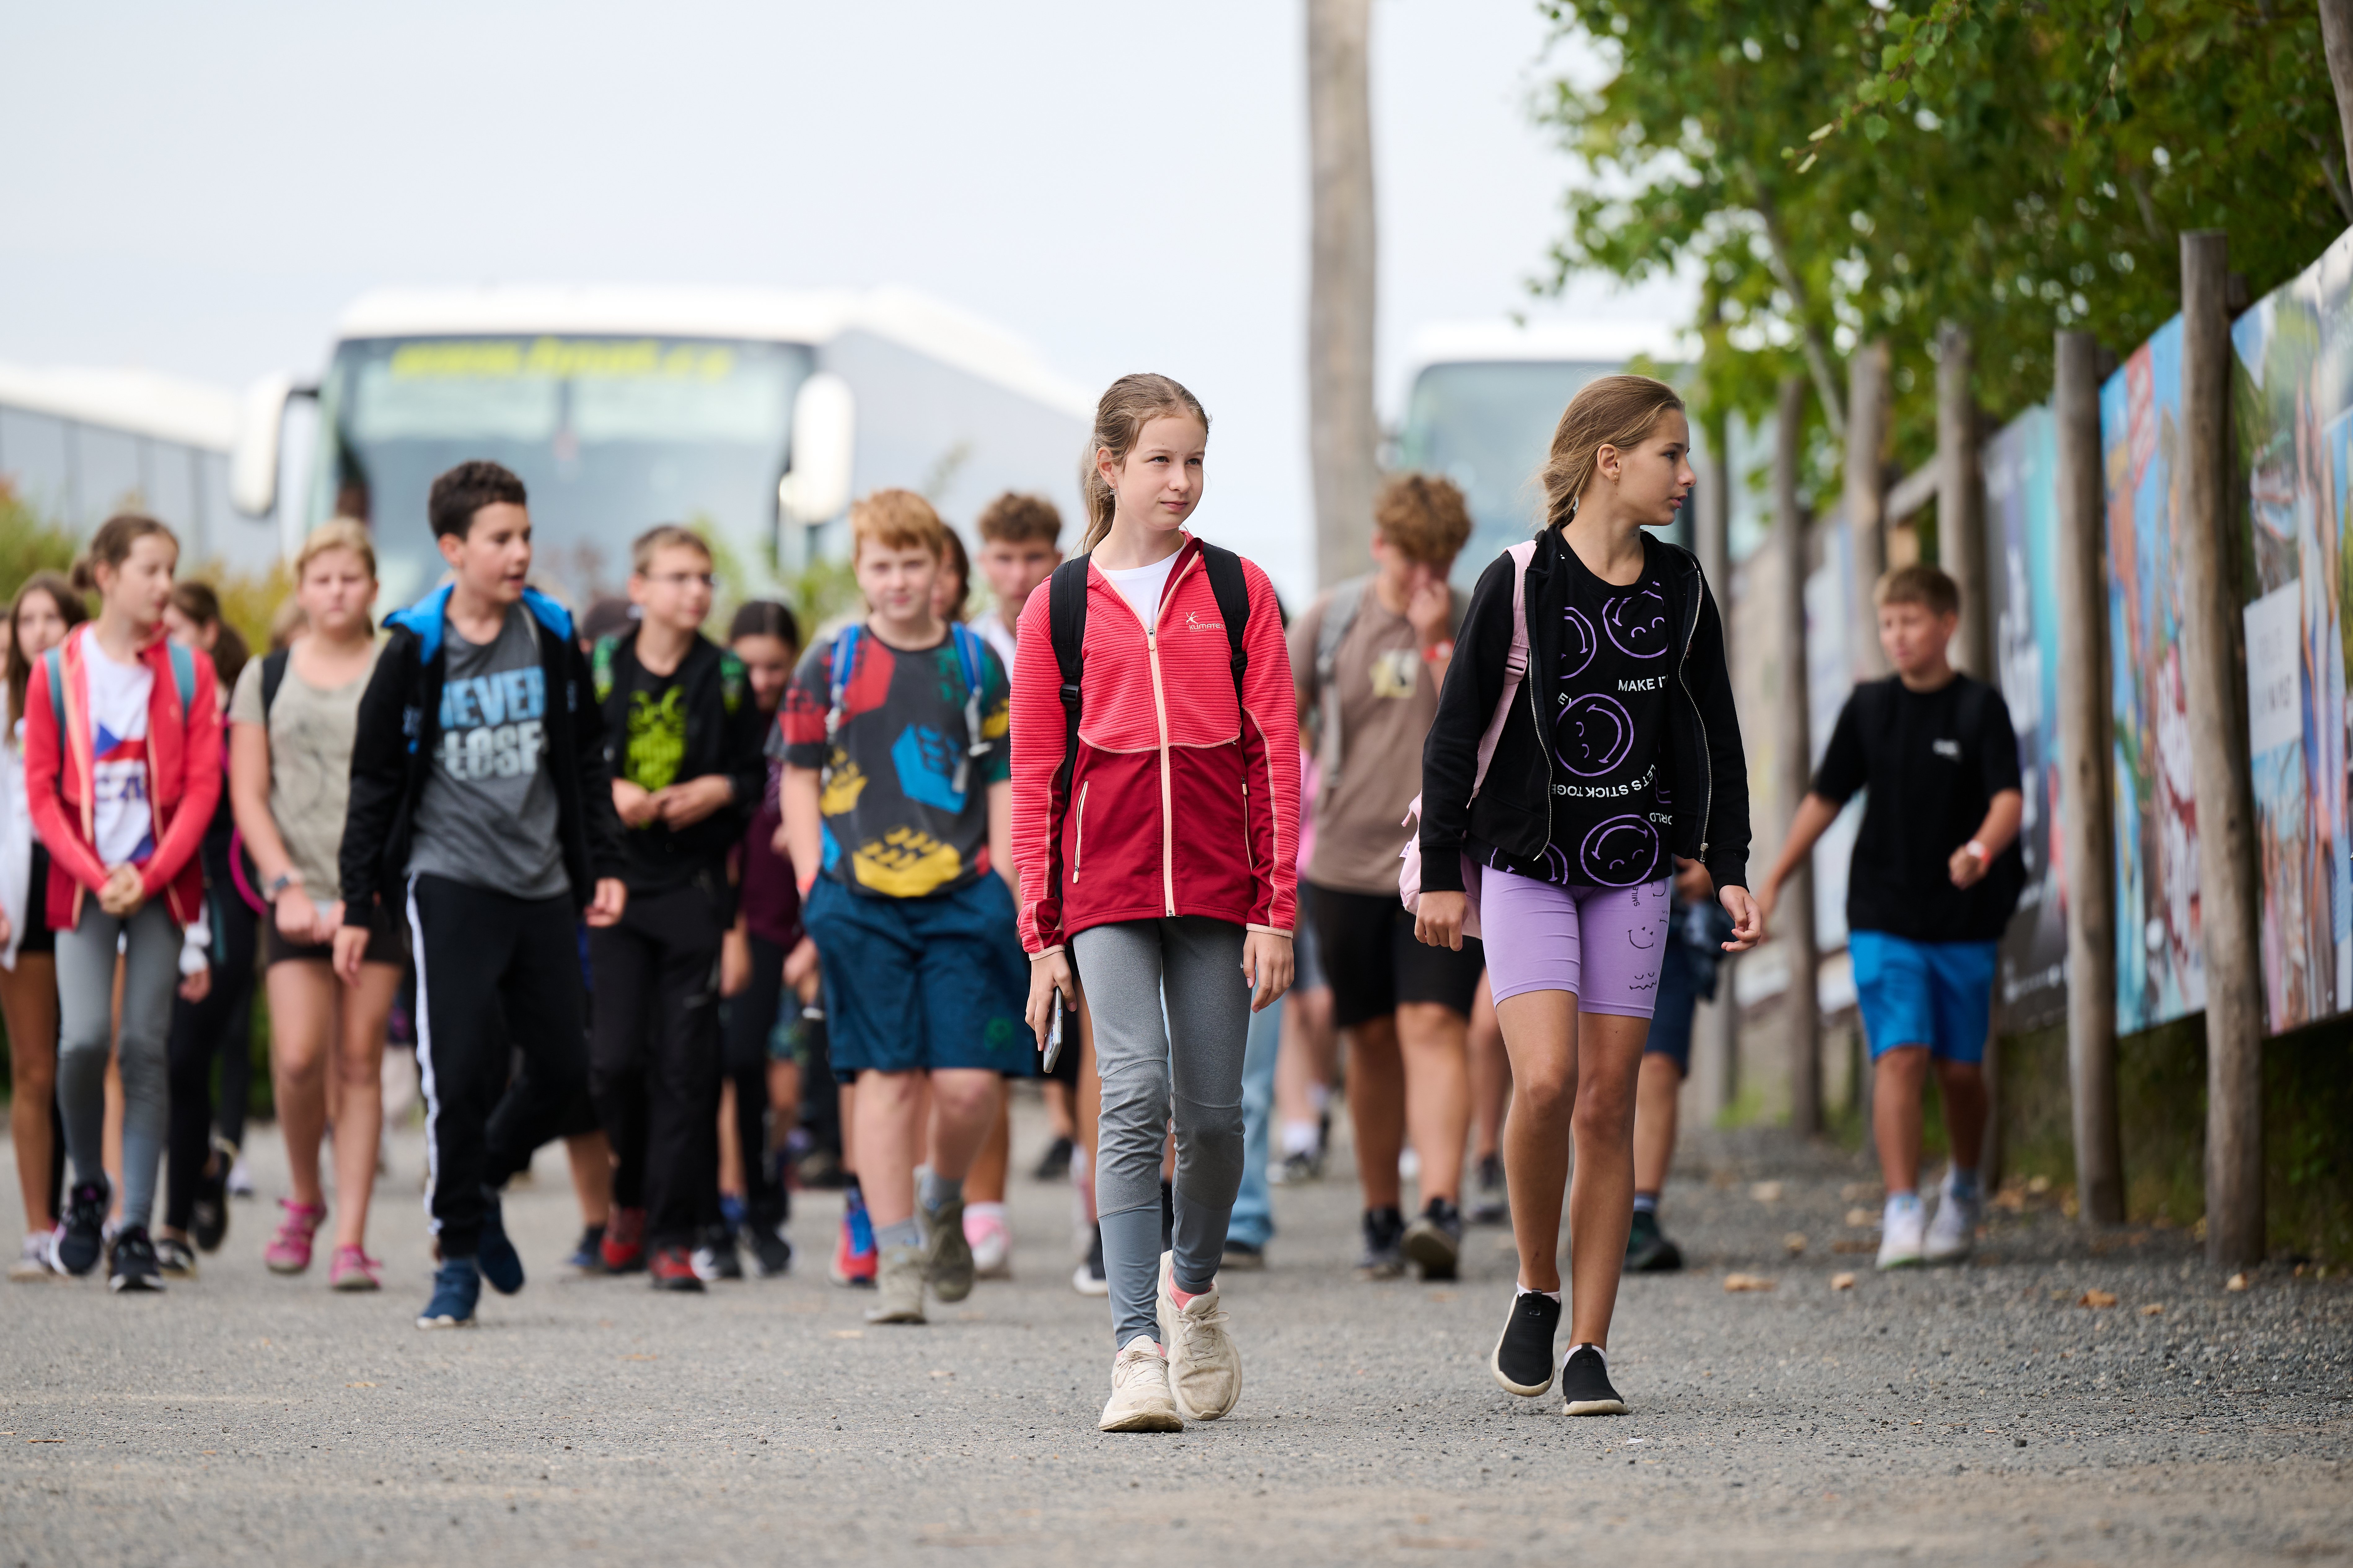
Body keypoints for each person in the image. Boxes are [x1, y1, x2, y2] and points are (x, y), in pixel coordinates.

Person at [1415, 374, 1757, 1418]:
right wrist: (1441, 871)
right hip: (1525, 867)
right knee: (1548, 1082)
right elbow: (1453, 733)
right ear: (1611, 459)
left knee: (1610, 1099)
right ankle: (1535, 1282)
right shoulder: (1519, 580)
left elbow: (1718, 730)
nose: (1686, 475)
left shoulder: (1681, 586)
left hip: (1634, 867)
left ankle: (1590, 1347)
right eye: (1670, 454)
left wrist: (1729, 863)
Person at [1013, 372, 1299, 1433]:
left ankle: (1194, 1294)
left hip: (1222, 890)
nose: (1181, 481)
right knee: (1132, 1093)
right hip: (1108, 891)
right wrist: (1041, 936)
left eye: (1194, 461)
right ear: (1110, 466)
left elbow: (1275, 755)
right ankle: (1135, 1348)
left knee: (1215, 1118)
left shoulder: (1238, 590)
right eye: (1160, 461)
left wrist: (1276, 908)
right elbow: (1038, 779)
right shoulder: (1060, 605)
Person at [337, 460, 628, 1329]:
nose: (520, 553)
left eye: (526, 536)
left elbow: (586, 759)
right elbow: (374, 779)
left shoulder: (551, 631)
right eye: (501, 539)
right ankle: (456, 1256)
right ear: (454, 548)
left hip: (542, 882)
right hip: (450, 880)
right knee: (459, 1072)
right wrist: (357, 902)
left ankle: (478, 1180)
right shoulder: (415, 647)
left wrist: (603, 862)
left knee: (566, 1072)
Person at [779, 488, 1027, 1325]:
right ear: (860, 569)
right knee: (884, 1080)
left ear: (940, 570)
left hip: (962, 897)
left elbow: (1003, 775)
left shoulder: (974, 661)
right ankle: (896, 1258)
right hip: (859, 901)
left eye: (912, 564)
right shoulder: (831, 662)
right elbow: (799, 774)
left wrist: (1005, 881)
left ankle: (943, 1201)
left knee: (967, 1086)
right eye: (881, 565)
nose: (897, 581)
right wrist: (812, 880)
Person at [1755, 563, 2023, 1269]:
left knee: (1959, 1072)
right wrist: (1773, 880)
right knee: (1899, 1053)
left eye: (1910, 621)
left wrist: (1979, 849)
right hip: (1881, 911)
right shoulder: (1868, 708)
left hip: (1963, 919)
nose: (1896, 635)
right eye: (1886, 623)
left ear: (1946, 624)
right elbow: (1825, 798)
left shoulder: (1979, 708)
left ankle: (1962, 1187)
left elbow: (2008, 799)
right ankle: (1901, 1205)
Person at [24, 514, 223, 1292]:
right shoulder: (55, 672)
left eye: (172, 569)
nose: (166, 584)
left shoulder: (189, 672)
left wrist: (153, 870)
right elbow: (42, 792)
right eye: (151, 569)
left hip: (160, 885)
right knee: (82, 1041)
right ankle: (87, 1189)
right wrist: (94, 869)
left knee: (144, 1046)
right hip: (84, 884)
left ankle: (134, 1227)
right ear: (106, 575)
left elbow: (203, 786)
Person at [1292, 471, 1480, 1280]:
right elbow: (1277, 718)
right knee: (1368, 1037)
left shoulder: (1473, 617)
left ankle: (1439, 1206)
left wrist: (1437, 641)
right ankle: (1380, 1211)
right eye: (1412, 559)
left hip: (1443, 863)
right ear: (1380, 546)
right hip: (1341, 865)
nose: (1426, 577)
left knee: (1433, 1023)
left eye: (1442, 560)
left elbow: (1482, 727)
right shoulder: (1331, 620)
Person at [589, 525, 768, 1293]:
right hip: (615, 890)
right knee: (613, 1062)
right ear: (639, 589)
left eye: (705, 578)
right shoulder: (600, 668)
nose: (697, 591)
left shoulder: (725, 675)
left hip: (694, 892)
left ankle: (671, 1236)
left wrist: (718, 789)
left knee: (686, 1070)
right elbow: (566, 767)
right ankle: (627, 1196)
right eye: (679, 577)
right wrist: (612, 790)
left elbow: (756, 777)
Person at [228, 520, 403, 1291]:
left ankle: (352, 1240)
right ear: (301, 590)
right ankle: (305, 1196)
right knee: (299, 1057)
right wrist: (286, 887)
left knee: (359, 1061)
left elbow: (410, 788)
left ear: (373, 588)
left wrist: (366, 892)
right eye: (322, 579)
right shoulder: (266, 676)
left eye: (350, 578)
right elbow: (248, 793)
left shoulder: (398, 668)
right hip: (295, 892)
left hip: (375, 893)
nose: (336, 592)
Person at [962, 491, 1074, 1279]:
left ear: (1055, 558)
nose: (1016, 573)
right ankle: (985, 1217)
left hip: (1073, 862)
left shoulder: (1077, 628)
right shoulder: (967, 650)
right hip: (979, 871)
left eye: (1032, 557)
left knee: (1097, 1048)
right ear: (982, 563)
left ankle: (1101, 1216)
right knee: (988, 1043)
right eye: (1003, 558)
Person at [157, 581, 259, 1279]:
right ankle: (200, 1173)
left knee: (192, 1048)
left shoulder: (238, 712)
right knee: (163, 1054)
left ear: (208, 634)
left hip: (226, 897)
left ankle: (174, 1224)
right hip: (156, 892)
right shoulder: (141, 702)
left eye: (178, 629)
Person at [718, 598, 803, 1278]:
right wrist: (730, 929)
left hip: (802, 927)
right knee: (736, 1066)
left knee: (786, 1092)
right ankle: (741, 1203)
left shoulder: (809, 722)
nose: (762, 680)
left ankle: (769, 1187)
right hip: (741, 927)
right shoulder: (722, 723)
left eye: (775, 666)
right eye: (749, 666)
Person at [2, 573, 82, 1279]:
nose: (38, 631)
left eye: (51, 617)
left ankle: (109, 1214)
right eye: (26, 620)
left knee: (92, 1052)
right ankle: (38, 1227)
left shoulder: (95, 694)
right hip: (20, 899)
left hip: (89, 889)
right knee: (34, 1066)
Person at [1623, 869, 1733, 1272]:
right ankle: (1598, 1208)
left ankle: (1640, 1215)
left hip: (1669, 922)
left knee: (1660, 1066)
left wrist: (1712, 865)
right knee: (1596, 1080)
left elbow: (1723, 828)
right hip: (1583, 904)